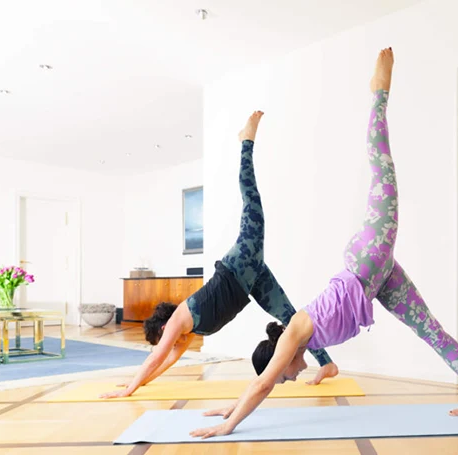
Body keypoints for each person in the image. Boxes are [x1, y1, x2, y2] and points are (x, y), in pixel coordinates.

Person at [190, 48, 458, 439]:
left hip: (368, 260)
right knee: (430, 330)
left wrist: (229, 425)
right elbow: (262, 383)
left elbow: (263, 384)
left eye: (287, 377)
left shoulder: (294, 332)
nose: (292, 378)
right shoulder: (301, 343)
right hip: (377, 281)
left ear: (281, 361)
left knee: (382, 168)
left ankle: (379, 93)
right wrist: (228, 406)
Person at [100, 112, 339, 399]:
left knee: (252, 203)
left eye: (161, 339)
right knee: (293, 319)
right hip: (250, 281)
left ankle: (246, 141)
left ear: (164, 328)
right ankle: (328, 364)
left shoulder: (178, 322)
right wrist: (139, 385)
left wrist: (128, 389)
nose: (167, 344)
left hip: (238, 265)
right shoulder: (186, 336)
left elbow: (155, 358)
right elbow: (165, 362)